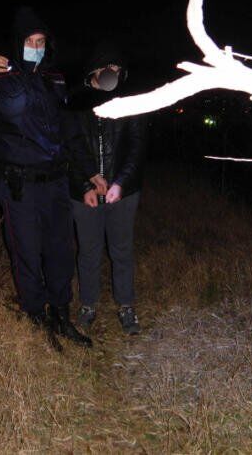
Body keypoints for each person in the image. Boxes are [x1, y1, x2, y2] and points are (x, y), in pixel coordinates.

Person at [0, 7, 102, 349]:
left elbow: (70, 133)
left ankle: (61, 316)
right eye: (29, 41)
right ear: (17, 42)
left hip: (56, 183)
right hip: (19, 185)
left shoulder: (55, 79)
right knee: (27, 254)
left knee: (60, 252)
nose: (36, 47)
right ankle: (36, 317)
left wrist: (89, 173)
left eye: (41, 41)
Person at [68, 41, 147, 335]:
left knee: (121, 250)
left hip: (122, 192)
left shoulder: (128, 101)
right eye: (107, 67)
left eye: (117, 68)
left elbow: (137, 146)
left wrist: (121, 183)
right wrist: (84, 184)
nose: (113, 72)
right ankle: (88, 305)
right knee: (88, 251)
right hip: (85, 194)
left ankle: (126, 305)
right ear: (94, 70)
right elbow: (68, 147)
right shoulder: (74, 101)